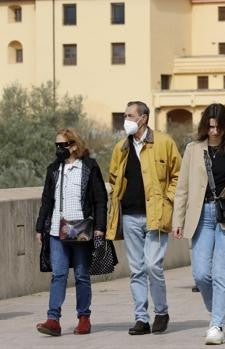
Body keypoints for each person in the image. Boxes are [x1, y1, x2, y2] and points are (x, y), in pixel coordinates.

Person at [107, 101, 181, 335]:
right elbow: (113, 176)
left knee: (152, 266)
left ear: (144, 118)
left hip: (156, 215)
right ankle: (141, 318)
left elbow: (178, 175)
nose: (126, 120)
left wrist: (168, 200)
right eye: (125, 116)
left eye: (130, 116)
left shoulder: (164, 142)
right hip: (129, 215)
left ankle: (161, 311)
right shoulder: (121, 147)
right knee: (137, 269)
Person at [171, 104, 225, 344]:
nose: (214, 131)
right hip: (200, 215)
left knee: (220, 272)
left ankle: (217, 326)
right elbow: (182, 189)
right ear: (204, 126)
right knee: (201, 274)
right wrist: (177, 220)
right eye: (210, 126)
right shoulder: (193, 149)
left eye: (219, 127)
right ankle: (217, 314)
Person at [35, 129, 107, 336]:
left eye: (63, 145)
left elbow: (100, 200)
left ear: (74, 146)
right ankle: (53, 320)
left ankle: (84, 318)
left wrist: (100, 227)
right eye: (56, 145)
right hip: (57, 229)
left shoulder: (89, 168)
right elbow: (47, 200)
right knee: (58, 274)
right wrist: (40, 227)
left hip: (80, 228)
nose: (59, 149)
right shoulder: (53, 170)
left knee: (82, 275)